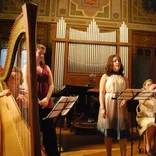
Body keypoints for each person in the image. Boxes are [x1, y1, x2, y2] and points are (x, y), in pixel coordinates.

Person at [22, 44, 60, 156]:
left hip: (46, 103)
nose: (42, 55)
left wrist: (47, 98)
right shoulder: (27, 67)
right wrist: (36, 100)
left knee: (50, 133)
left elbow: (51, 84)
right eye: (40, 53)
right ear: (33, 53)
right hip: (34, 103)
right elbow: (25, 85)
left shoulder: (46, 68)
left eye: (44, 53)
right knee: (35, 133)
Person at [97, 54, 130, 156]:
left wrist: (126, 99)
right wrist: (102, 108)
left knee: (122, 132)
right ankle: (108, 154)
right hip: (109, 104)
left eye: (119, 61)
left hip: (121, 107)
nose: (117, 62)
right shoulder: (105, 76)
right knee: (108, 132)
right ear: (110, 63)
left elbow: (127, 92)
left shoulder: (124, 77)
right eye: (115, 61)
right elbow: (102, 92)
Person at [136, 79, 156, 155]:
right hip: (143, 118)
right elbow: (141, 101)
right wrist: (150, 91)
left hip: (153, 117)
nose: (150, 86)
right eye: (148, 85)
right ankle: (148, 145)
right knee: (150, 124)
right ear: (144, 87)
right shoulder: (141, 94)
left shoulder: (154, 96)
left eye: (151, 85)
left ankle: (155, 147)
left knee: (153, 123)